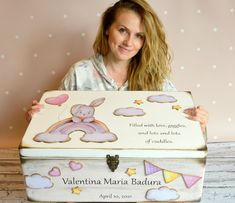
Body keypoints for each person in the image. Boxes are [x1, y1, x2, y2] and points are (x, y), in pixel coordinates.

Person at [26, 0, 208, 133]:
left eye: (139, 36)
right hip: (87, 169)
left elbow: (177, 132)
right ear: (107, 29)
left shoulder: (157, 80)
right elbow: (57, 123)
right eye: (122, 31)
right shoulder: (79, 74)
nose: (129, 42)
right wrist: (37, 119)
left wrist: (198, 123)